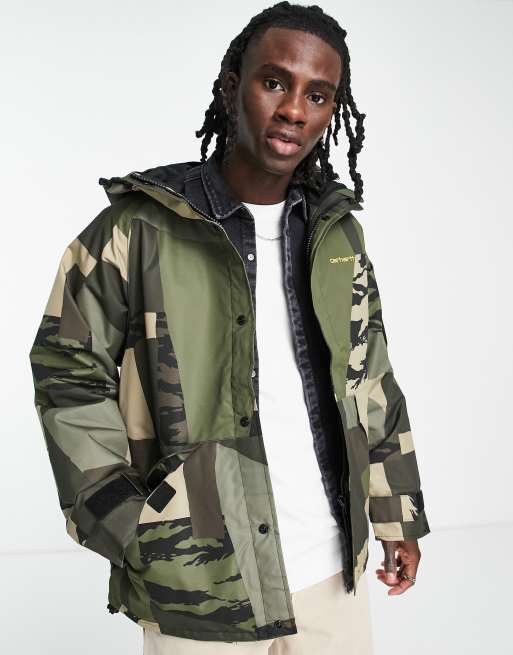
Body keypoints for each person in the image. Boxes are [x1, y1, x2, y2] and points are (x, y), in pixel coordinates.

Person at [28, 2, 430, 653]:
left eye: (318, 94)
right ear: (231, 85)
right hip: (200, 586)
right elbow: (66, 369)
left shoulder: (337, 236)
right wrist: (128, 525)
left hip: (332, 572)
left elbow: (371, 376)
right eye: (274, 82)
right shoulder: (138, 228)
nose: (294, 110)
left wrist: (396, 512)